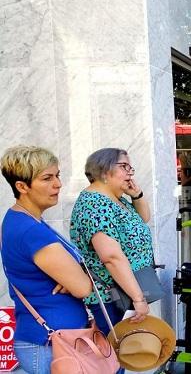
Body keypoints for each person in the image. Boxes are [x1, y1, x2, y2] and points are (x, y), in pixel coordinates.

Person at [1, 146, 93, 373]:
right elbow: (83, 287)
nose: (58, 184)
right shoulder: (30, 230)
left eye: (58, 175)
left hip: (55, 339)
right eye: (47, 178)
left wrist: (76, 271)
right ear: (22, 187)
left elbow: (78, 279)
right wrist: (78, 277)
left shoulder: (24, 220)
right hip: (48, 343)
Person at [70, 148, 152, 347]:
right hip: (112, 296)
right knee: (115, 356)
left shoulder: (115, 199)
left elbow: (143, 219)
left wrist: (137, 195)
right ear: (104, 170)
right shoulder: (95, 205)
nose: (130, 173)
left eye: (130, 167)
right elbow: (111, 257)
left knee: (123, 354)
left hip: (125, 291)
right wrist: (138, 298)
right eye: (124, 167)